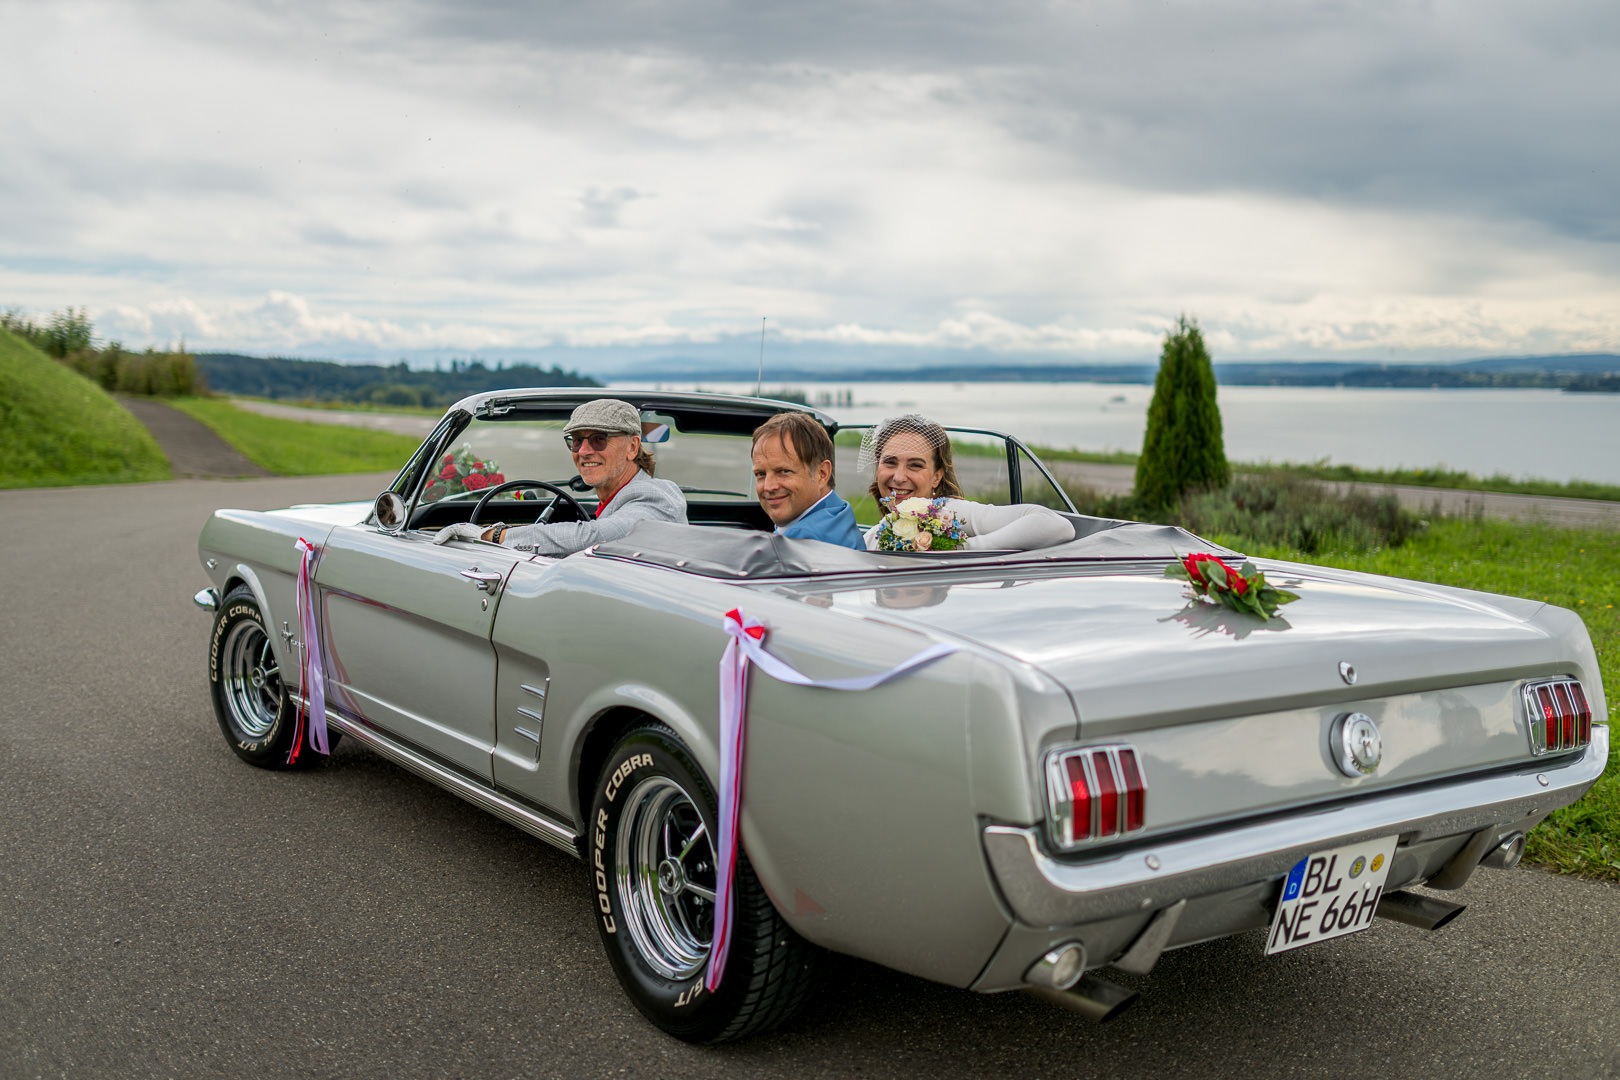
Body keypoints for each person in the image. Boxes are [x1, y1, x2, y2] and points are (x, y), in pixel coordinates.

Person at [433, 398, 685, 555]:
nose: (584, 451)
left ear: (632, 447)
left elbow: (594, 537)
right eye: (576, 441)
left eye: (599, 439)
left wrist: (493, 535)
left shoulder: (655, 498)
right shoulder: (619, 499)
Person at [860, 414, 1073, 551]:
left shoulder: (949, 513)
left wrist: (962, 549)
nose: (898, 477)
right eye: (890, 462)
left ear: (937, 476)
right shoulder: (873, 535)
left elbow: (1055, 525)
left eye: (915, 465)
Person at [750, 411, 863, 550]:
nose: (768, 486)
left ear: (822, 474)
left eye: (784, 472)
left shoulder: (800, 541)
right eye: (760, 474)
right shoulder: (839, 512)